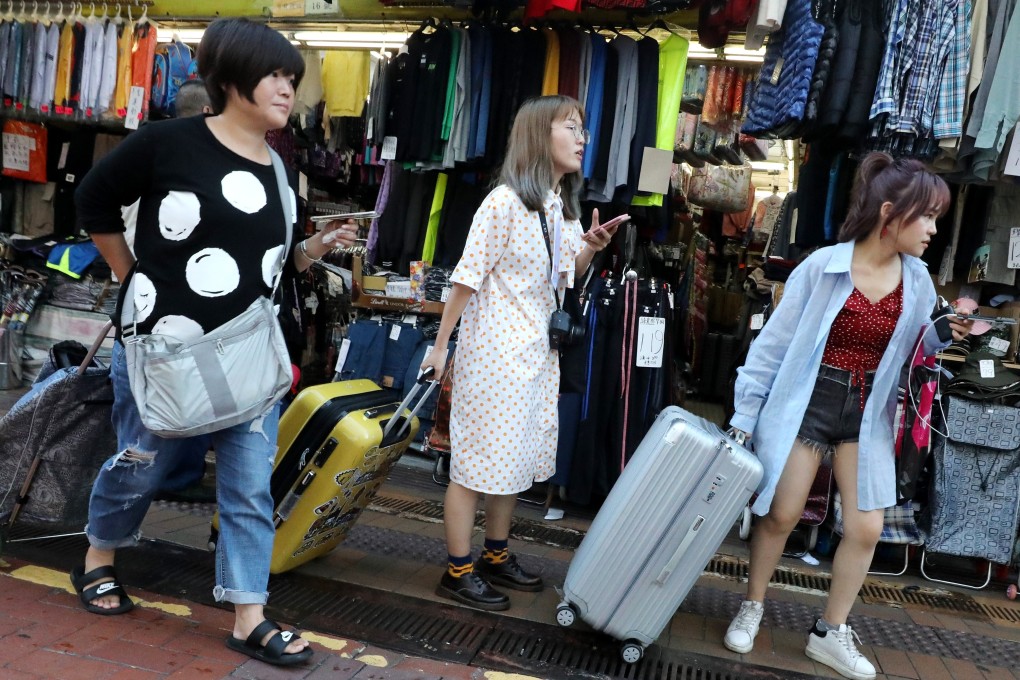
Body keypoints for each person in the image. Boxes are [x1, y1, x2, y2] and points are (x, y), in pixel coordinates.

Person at [69, 18, 357, 668]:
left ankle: (248, 614)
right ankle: (99, 553)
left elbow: (269, 263)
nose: (287, 89)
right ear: (231, 79)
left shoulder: (279, 170)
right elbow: (94, 198)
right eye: (274, 75)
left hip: (249, 356)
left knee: (249, 486)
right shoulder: (168, 143)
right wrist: (129, 275)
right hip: (163, 351)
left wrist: (311, 249)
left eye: (292, 77)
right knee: (142, 465)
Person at [724, 153, 972, 680]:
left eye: (936, 218)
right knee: (782, 512)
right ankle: (753, 603)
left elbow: (912, 353)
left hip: (867, 410)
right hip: (808, 400)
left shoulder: (920, 282)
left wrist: (946, 332)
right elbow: (772, 347)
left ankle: (830, 632)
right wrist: (745, 416)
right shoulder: (823, 265)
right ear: (890, 212)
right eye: (926, 216)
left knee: (865, 527)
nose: (933, 230)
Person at [419, 95, 629, 611]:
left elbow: (564, 277)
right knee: (475, 466)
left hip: (535, 356)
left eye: (583, 128)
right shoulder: (504, 202)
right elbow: (466, 278)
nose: (582, 138)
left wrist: (590, 248)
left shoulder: (559, 205)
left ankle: (494, 553)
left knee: (509, 464)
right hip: (493, 355)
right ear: (540, 135)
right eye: (571, 127)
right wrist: (440, 347)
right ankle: (457, 569)